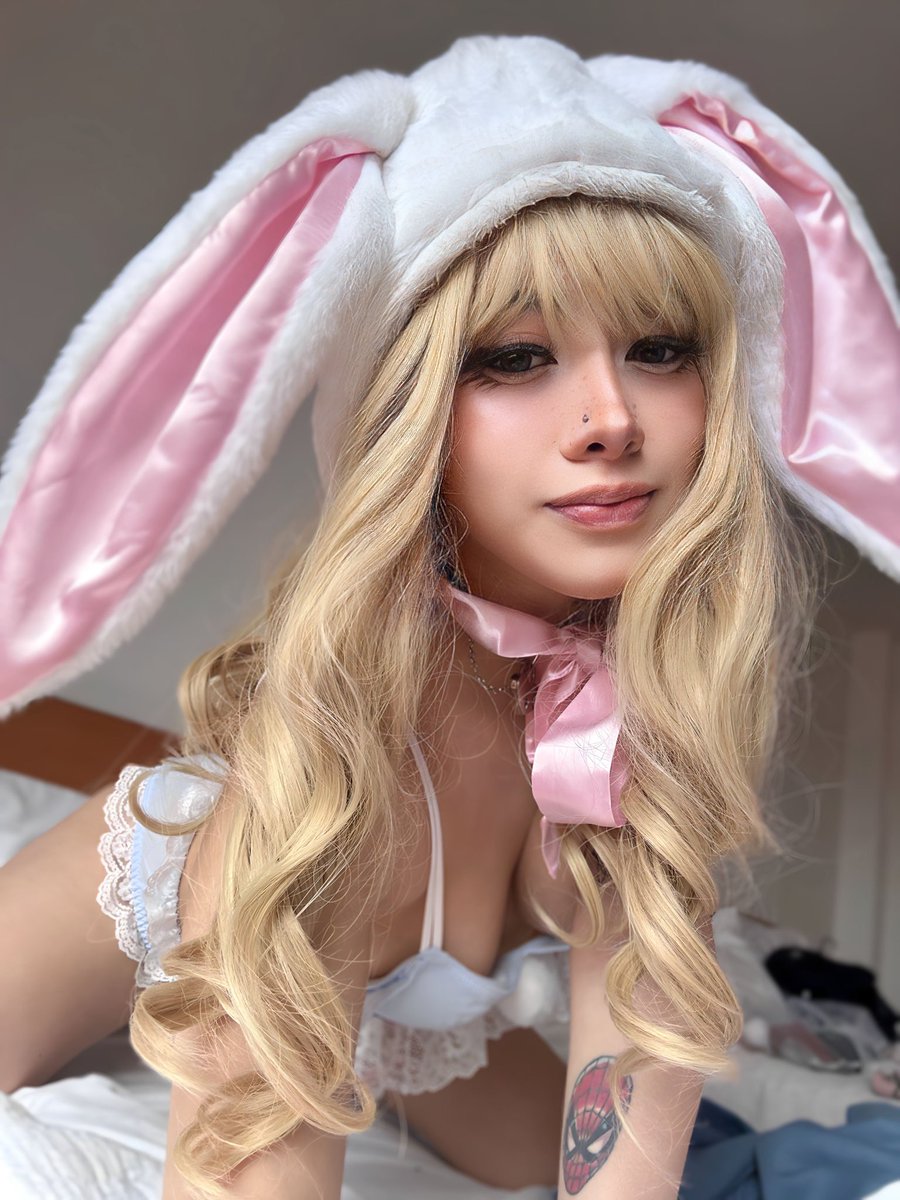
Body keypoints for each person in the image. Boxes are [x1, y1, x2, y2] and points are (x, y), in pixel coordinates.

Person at [0, 34, 896, 1200]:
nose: (611, 417)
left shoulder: (624, 721)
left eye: (661, 349)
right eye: (516, 357)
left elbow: (632, 1104)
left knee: (721, 1169)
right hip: (124, 941)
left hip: (410, 1016)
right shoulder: (325, 765)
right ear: (406, 414)